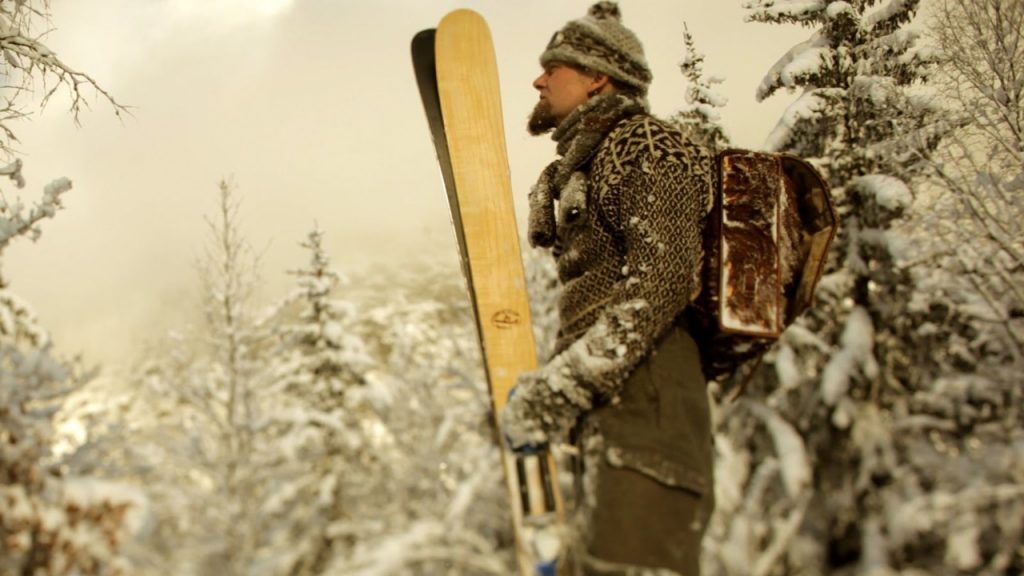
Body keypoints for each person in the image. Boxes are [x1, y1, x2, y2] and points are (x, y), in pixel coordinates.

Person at [500, 2, 715, 575]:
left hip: (649, 406)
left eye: (555, 66)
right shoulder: (591, 161)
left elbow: (662, 281)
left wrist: (565, 383)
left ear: (598, 77)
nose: (539, 79)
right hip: (615, 412)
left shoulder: (646, 145)